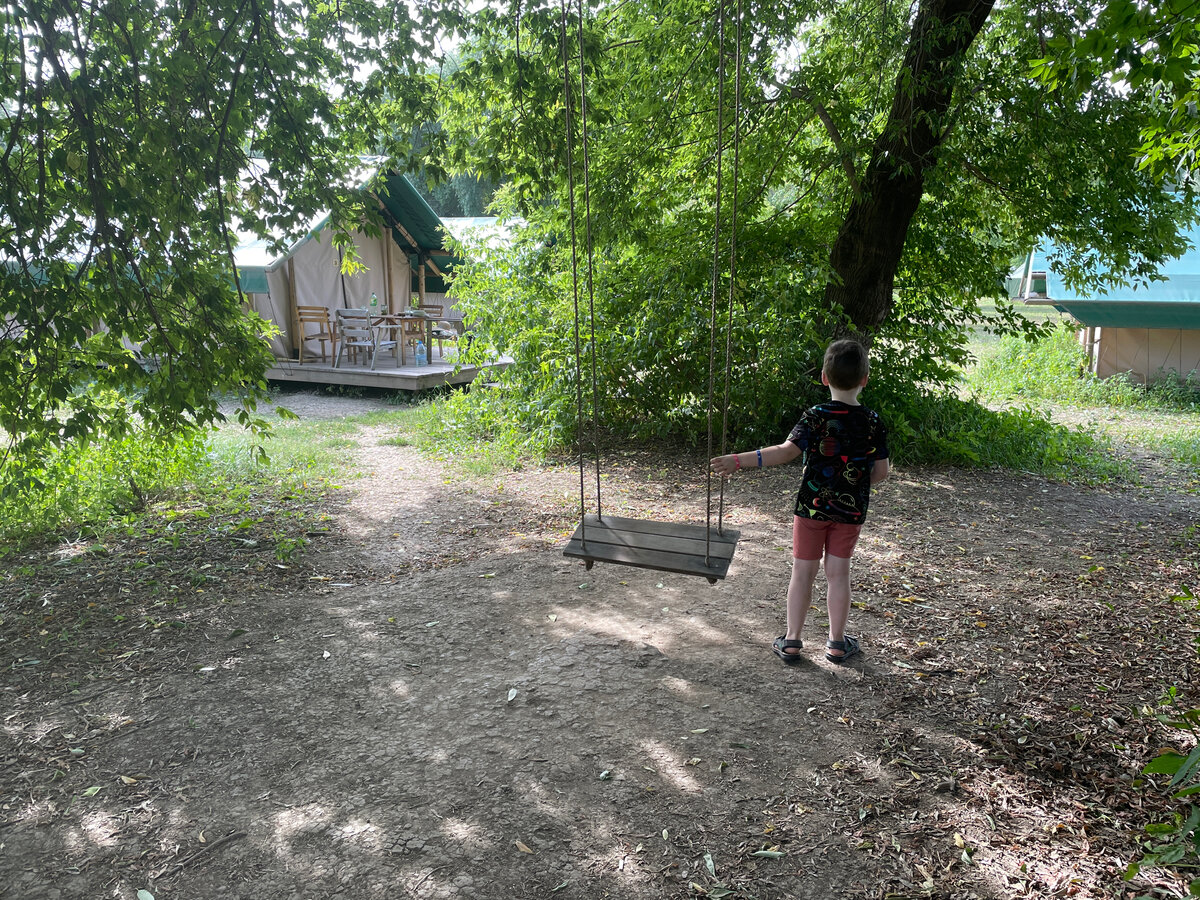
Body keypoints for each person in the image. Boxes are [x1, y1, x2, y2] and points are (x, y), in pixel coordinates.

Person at [711, 339, 890, 665]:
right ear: (865, 379)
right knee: (839, 574)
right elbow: (881, 472)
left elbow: (785, 452)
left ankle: (792, 640)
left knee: (802, 572)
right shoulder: (874, 421)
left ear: (824, 377)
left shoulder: (815, 416)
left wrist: (739, 460)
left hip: (811, 508)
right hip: (850, 511)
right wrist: (854, 480)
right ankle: (836, 643)